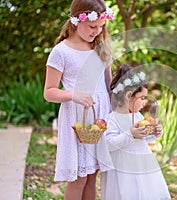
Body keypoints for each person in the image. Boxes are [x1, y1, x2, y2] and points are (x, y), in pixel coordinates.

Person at [43, 0, 114, 199]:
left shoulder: (100, 47)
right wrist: (73, 94)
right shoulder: (61, 52)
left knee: (92, 175)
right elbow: (49, 92)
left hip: (100, 118)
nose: (97, 31)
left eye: (101, 27)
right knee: (79, 178)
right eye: (93, 27)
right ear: (76, 21)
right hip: (78, 119)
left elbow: (108, 87)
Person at [101, 64, 171, 200]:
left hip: (141, 163)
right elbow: (109, 144)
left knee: (145, 192)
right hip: (122, 168)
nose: (144, 102)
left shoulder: (138, 116)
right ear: (128, 96)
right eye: (142, 98)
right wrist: (130, 134)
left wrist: (154, 133)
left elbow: (143, 137)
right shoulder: (112, 118)